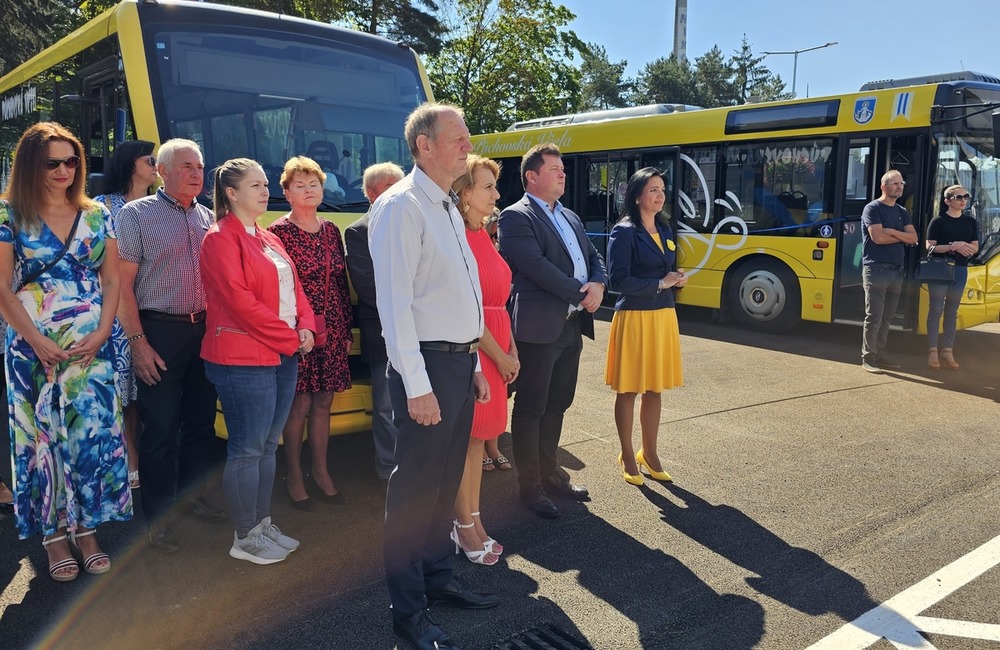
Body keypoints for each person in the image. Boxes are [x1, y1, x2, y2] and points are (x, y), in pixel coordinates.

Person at [370, 102, 497, 650]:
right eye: (459, 137)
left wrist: (469, 363)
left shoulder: (445, 203)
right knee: (415, 493)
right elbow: (394, 307)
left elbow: (456, 297)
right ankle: (408, 612)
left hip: (454, 362)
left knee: (444, 486)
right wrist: (418, 385)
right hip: (423, 367)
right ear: (424, 145)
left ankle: (438, 580)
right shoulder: (402, 207)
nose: (468, 144)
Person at [0, 122, 131, 581]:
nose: (63, 170)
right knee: (42, 440)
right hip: (32, 350)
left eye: (71, 160)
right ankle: (54, 535)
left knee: (89, 436)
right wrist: (36, 341)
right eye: (52, 162)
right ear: (32, 165)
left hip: (90, 350)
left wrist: (102, 332)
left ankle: (88, 529)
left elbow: (112, 279)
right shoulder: (10, 214)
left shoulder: (98, 214)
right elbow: (1, 286)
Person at [201, 158, 315, 564]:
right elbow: (239, 301)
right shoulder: (219, 239)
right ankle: (245, 536)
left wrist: (308, 327)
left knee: (268, 446)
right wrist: (291, 337)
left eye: (266, 184)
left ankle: (262, 525)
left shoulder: (268, 237)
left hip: (282, 353)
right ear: (231, 193)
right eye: (256, 185)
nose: (266, 191)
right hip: (243, 359)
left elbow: (297, 289)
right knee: (248, 449)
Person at [116, 138, 227, 555]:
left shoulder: (208, 217)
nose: (197, 174)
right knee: (160, 429)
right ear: (162, 170)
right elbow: (122, 285)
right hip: (158, 332)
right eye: (186, 166)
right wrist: (138, 343)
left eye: (199, 166)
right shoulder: (135, 215)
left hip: (205, 333)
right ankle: (158, 519)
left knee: (200, 425)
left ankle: (191, 500)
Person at [498, 142, 608, 519]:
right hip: (538, 329)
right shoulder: (516, 216)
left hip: (572, 325)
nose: (564, 173)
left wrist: (599, 285)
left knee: (558, 402)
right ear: (532, 176)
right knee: (531, 408)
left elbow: (594, 257)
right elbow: (534, 266)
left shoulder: (571, 216)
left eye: (563, 168)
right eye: (556, 169)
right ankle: (529, 487)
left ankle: (550, 475)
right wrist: (582, 292)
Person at [268, 157, 353, 508]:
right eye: (300, 185)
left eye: (314, 184)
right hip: (297, 328)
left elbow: (341, 285)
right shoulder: (277, 232)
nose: (308, 190)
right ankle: (293, 474)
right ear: (286, 192)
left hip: (331, 325)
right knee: (298, 402)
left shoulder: (332, 229)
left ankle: (321, 472)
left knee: (325, 401)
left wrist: (345, 327)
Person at [451, 155, 517, 565]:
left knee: (478, 442)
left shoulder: (483, 234)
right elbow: (466, 309)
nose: (496, 193)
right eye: (488, 186)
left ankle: (474, 518)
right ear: (464, 192)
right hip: (478, 349)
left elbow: (498, 302)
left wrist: (512, 352)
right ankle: (462, 525)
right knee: (466, 441)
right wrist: (500, 354)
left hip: (497, 345)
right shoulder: (458, 235)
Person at [605, 168, 687, 486]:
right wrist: (659, 283)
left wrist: (675, 279)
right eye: (653, 189)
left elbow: (664, 271)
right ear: (638, 195)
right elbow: (618, 280)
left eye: (662, 189)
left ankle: (649, 454)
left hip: (663, 316)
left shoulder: (664, 228)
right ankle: (627, 455)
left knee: (654, 389)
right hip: (636, 317)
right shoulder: (624, 231)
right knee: (628, 390)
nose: (660, 195)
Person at [94, 139, 159, 490]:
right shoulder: (104, 206)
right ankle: (129, 459)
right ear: (129, 164)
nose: (155, 165)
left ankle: (137, 455)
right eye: (150, 159)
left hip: (150, 308)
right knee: (120, 392)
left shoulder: (158, 205)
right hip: (116, 312)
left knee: (140, 394)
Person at [344, 162, 405, 484]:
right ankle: (389, 471)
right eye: (390, 186)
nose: (399, 191)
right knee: (386, 407)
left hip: (421, 331)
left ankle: (415, 468)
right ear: (371, 193)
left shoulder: (414, 223)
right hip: (384, 332)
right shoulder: (358, 231)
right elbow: (368, 287)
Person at [860, 170, 917, 373]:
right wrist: (902, 236)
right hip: (876, 268)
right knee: (874, 315)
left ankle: (880, 353)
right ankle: (868, 357)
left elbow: (914, 239)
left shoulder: (902, 211)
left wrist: (891, 231)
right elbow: (878, 238)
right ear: (883, 187)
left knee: (888, 316)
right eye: (895, 183)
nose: (900, 186)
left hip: (896, 270)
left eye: (901, 183)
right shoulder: (872, 208)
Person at [925, 185, 979, 370]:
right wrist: (951, 246)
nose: (963, 199)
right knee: (936, 309)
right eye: (958, 197)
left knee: (952, 311)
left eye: (966, 196)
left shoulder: (970, 222)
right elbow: (929, 247)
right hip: (940, 269)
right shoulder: (938, 221)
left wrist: (962, 244)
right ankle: (932, 350)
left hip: (960, 269)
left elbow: (974, 248)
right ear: (947, 200)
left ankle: (947, 350)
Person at [481, 210, 512, 474]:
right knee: (482, 393)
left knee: (500, 391)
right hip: (481, 328)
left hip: (500, 322)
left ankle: (493, 445)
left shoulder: (496, 245)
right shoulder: (471, 240)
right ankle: (478, 446)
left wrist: (511, 347)